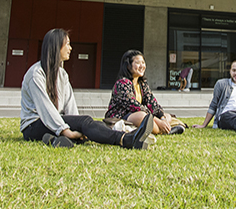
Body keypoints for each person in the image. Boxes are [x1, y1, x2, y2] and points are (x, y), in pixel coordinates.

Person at [20, 29, 153, 149]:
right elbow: (45, 108)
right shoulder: (36, 74)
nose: (70, 48)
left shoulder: (62, 74)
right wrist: (66, 130)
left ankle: (53, 140)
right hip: (34, 126)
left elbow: (69, 104)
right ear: (56, 46)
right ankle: (125, 139)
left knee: (88, 123)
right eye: (67, 44)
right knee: (85, 122)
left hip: (55, 121)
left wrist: (78, 126)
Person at [105, 50, 185, 135]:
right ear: (128, 66)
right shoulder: (122, 83)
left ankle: (160, 128)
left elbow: (152, 102)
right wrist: (156, 120)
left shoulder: (142, 84)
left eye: (143, 62)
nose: (142, 66)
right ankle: (163, 131)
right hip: (123, 116)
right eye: (138, 63)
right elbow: (134, 106)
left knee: (167, 116)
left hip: (143, 115)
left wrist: (161, 117)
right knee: (142, 117)